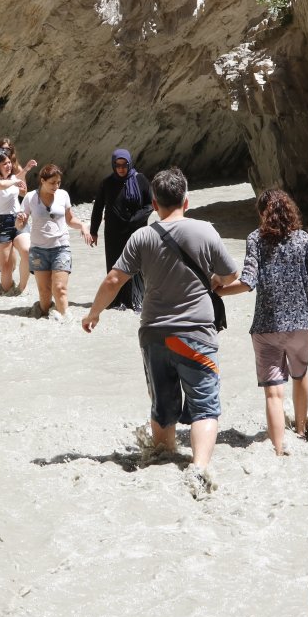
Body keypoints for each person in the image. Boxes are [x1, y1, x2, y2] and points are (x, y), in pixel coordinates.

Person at [82, 168, 238, 495]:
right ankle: (199, 467)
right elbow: (229, 275)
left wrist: (93, 313)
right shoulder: (205, 231)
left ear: (154, 203)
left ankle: (162, 460)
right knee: (205, 406)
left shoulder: (142, 236)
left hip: (154, 334)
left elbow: (114, 280)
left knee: (163, 405)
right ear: (187, 199)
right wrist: (211, 283)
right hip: (195, 334)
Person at [215, 189, 308, 455]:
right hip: (303, 323)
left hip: (267, 327)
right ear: (290, 211)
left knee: (273, 393)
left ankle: (279, 449)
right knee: (300, 374)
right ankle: (301, 433)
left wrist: (218, 290)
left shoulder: (255, 239)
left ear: (261, 214)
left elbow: (247, 282)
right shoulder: (302, 239)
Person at [22, 164, 92, 318]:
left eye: (58, 182)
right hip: (39, 250)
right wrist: (19, 220)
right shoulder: (30, 198)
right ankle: (45, 317)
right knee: (45, 293)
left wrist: (82, 225)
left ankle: (67, 322)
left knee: (60, 288)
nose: (56, 186)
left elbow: (70, 219)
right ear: (42, 180)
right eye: (52, 182)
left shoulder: (63, 195)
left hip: (61, 247)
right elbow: (20, 224)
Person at [89, 148, 154, 311]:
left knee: (137, 265)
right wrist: (93, 231)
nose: (121, 168)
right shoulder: (107, 183)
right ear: (113, 165)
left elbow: (151, 204)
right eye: (117, 165)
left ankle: (137, 300)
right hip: (113, 232)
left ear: (129, 163)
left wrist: (136, 219)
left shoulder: (140, 180)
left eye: (124, 165)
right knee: (115, 265)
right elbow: (98, 208)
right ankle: (116, 301)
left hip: (137, 230)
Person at [0, 143, 36, 295]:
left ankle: (22, 288)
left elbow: (17, 181)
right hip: (0, 224)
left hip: (18, 219)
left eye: (9, 163)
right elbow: (1, 184)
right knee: (6, 267)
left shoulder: (12, 177)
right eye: (4, 164)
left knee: (27, 251)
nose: (8, 165)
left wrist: (25, 170)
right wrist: (15, 181)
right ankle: (7, 289)